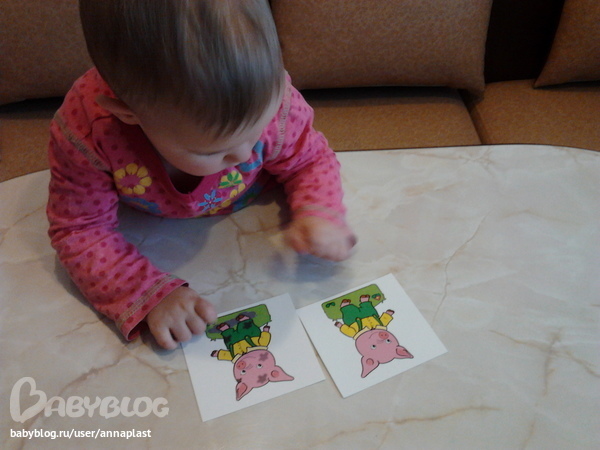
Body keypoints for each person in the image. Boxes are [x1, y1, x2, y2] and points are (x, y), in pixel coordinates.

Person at [46, 0, 356, 350]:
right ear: (129, 115)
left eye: (258, 129)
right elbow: (79, 228)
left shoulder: (274, 97)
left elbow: (310, 159)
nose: (245, 155)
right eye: (212, 151)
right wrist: (146, 293)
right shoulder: (87, 134)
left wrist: (320, 210)